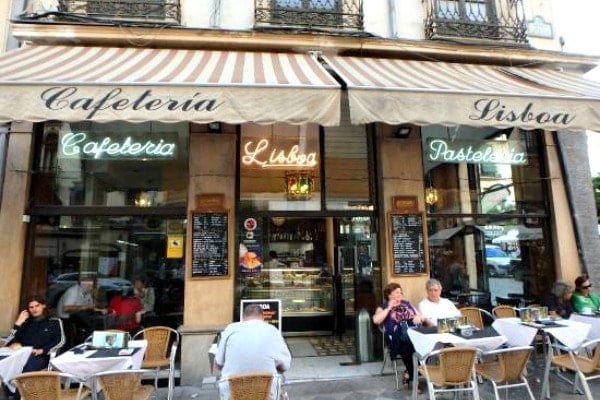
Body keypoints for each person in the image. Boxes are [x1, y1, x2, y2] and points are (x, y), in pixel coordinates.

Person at [215, 304, 291, 400]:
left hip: (233, 393)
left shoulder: (230, 329)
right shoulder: (272, 330)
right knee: (282, 392)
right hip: (266, 393)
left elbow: (218, 364)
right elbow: (285, 366)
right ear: (263, 317)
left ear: (243, 317)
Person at [372, 282, 427, 391]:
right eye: (397, 292)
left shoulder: (406, 303)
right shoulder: (383, 307)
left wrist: (419, 317)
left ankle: (409, 374)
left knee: (420, 346)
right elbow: (376, 320)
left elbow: (420, 316)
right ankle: (415, 380)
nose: (400, 294)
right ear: (389, 294)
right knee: (408, 348)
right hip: (395, 338)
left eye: (401, 292)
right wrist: (389, 308)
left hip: (414, 335)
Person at [56, 275, 105, 346]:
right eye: (92, 286)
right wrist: (85, 307)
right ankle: (87, 341)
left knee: (99, 318)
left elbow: (92, 305)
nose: (92, 288)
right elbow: (66, 308)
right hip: (66, 317)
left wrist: (95, 294)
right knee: (91, 321)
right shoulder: (73, 291)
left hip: (78, 315)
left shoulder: (87, 292)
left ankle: (96, 341)